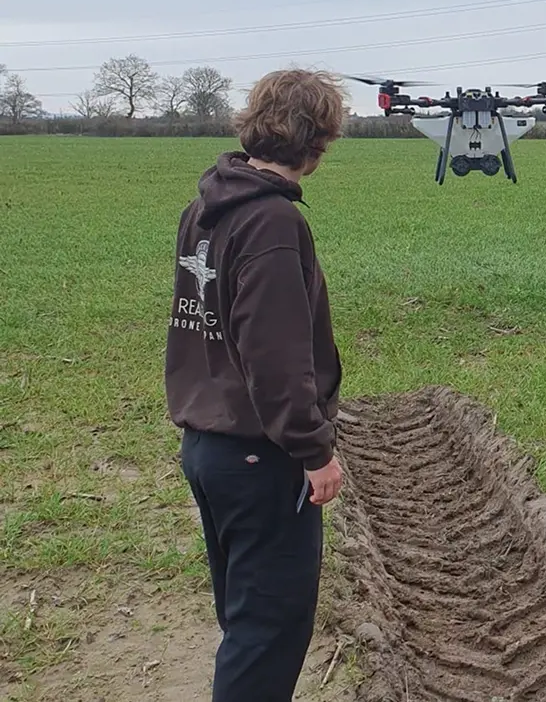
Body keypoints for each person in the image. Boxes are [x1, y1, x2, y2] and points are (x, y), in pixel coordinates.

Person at [164, 68, 348, 702]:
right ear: (317, 141)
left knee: (245, 621)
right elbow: (275, 358)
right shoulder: (271, 222)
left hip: (207, 447)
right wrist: (314, 451)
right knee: (268, 630)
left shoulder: (206, 207)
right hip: (259, 455)